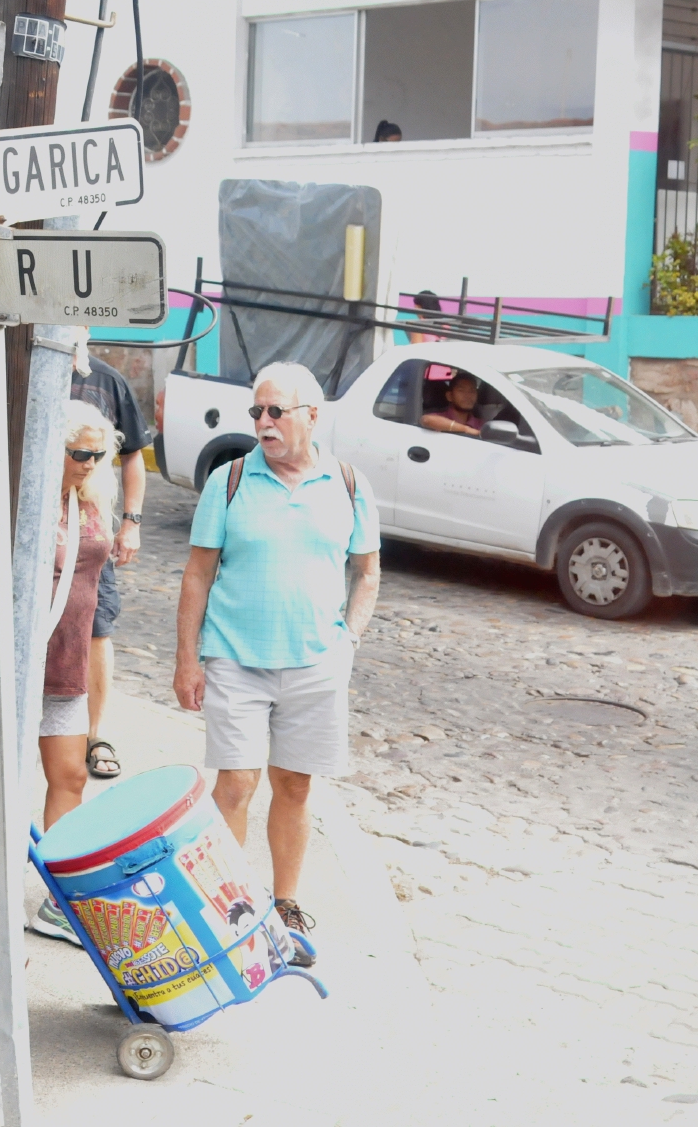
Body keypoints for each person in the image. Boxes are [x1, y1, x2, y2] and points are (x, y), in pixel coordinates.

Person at [173, 361, 381, 966]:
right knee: (235, 783)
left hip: (317, 663)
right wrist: (188, 657)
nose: (262, 423)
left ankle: (283, 907)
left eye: (275, 412)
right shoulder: (231, 480)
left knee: (294, 784)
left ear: (311, 416)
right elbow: (197, 574)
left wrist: (350, 640)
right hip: (236, 657)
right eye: (256, 412)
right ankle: (228, 911)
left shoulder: (347, 482)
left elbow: (367, 573)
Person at [29, 401, 119, 942]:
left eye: (96, 453)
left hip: (67, 660)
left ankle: (56, 900)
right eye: (77, 453)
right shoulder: (24, 495)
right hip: (19, 662)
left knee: (70, 776)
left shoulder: (88, 499)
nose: (88, 462)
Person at [69, 353, 147, 781]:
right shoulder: (11, 364)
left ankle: (95, 734)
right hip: (26, 520)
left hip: (89, 523)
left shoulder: (107, 381)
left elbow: (133, 454)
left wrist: (131, 523)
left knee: (97, 625)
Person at [420, 370, 485, 436]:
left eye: (472, 391)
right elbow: (426, 420)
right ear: (449, 396)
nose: (468, 396)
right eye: (461, 390)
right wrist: (466, 429)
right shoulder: (440, 418)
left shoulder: (482, 425)